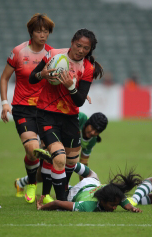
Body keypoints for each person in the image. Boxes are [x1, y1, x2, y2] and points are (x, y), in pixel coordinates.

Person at [29, 28, 104, 202]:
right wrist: (43, 74)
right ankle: (60, 200)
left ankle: (52, 194)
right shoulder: (53, 54)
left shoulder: (87, 68)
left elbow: (78, 101)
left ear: (90, 50)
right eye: (78, 46)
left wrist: (71, 86)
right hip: (46, 113)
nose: (81, 50)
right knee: (59, 157)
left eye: (86, 48)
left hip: (70, 117)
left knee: (71, 161)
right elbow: (32, 78)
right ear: (72, 42)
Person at [0, 13, 55, 204]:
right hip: (22, 108)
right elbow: (4, 78)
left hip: (46, 109)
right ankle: (31, 183)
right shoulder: (18, 51)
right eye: (39, 31)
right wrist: (5, 103)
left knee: (48, 151)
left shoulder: (52, 54)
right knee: (32, 149)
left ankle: (45, 194)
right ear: (31, 32)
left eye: (46, 31)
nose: (43, 35)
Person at [14, 111, 108, 197]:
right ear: (88, 123)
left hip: (63, 151)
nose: (92, 132)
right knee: (49, 170)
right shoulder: (79, 118)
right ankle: (55, 193)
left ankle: (21, 183)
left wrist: (85, 185)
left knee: (43, 175)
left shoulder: (93, 140)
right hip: (52, 140)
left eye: (97, 131)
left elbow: (83, 162)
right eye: (92, 128)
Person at [36, 166, 142, 212]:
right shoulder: (87, 206)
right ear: (102, 201)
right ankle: (66, 162)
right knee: (60, 184)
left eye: (115, 205)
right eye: (112, 205)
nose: (115, 207)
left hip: (92, 182)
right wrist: (41, 208)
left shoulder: (113, 194)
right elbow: (57, 203)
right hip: (75, 191)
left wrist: (132, 208)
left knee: (92, 174)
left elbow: (124, 201)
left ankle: (68, 162)